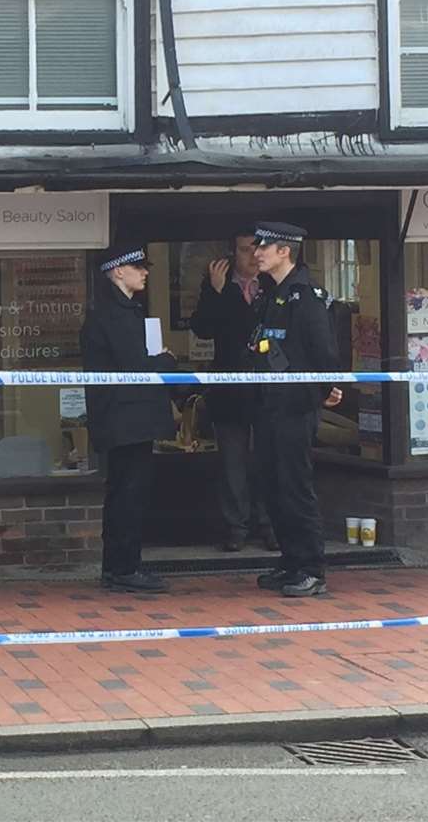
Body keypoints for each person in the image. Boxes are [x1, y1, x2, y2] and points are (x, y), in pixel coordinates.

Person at [247, 222, 342, 598]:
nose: (257, 253)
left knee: (295, 486)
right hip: (268, 404)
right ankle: (289, 561)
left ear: (284, 250)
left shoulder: (306, 296)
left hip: (295, 405)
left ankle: (311, 567)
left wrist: (328, 389)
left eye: (263, 247)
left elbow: (324, 350)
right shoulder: (271, 295)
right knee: (273, 486)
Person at [81, 243, 178, 593]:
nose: (145, 272)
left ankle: (119, 566)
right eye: (138, 267)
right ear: (118, 271)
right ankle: (124, 568)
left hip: (125, 419)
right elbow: (136, 367)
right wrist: (167, 360)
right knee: (129, 493)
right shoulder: (115, 314)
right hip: (126, 420)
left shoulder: (120, 311)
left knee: (124, 491)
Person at [190, 228, 276, 552]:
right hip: (229, 386)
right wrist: (216, 292)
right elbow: (202, 328)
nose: (252, 256)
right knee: (233, 462)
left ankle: (269, 524)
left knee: (267, 460)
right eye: (244, 250)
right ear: (231, 254)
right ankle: (236, 527)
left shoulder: (272, 284)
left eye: (257, 249)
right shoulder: (218, 285)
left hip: (267, 387)